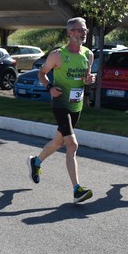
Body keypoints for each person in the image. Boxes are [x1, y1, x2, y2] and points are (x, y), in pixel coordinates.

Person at [27, 17, 95, 204]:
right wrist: (49, 88)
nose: (84, 33)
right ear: (70, 32)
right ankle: (76, 190)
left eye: (85, 30)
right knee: (72, 145)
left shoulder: (88, 54)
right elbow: (42, 73)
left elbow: (85, 78)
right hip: (60, 103)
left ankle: (36, 161)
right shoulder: (57, 55)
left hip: (76, 105)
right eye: (80, 30)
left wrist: (89, 81)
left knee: (58, 142)